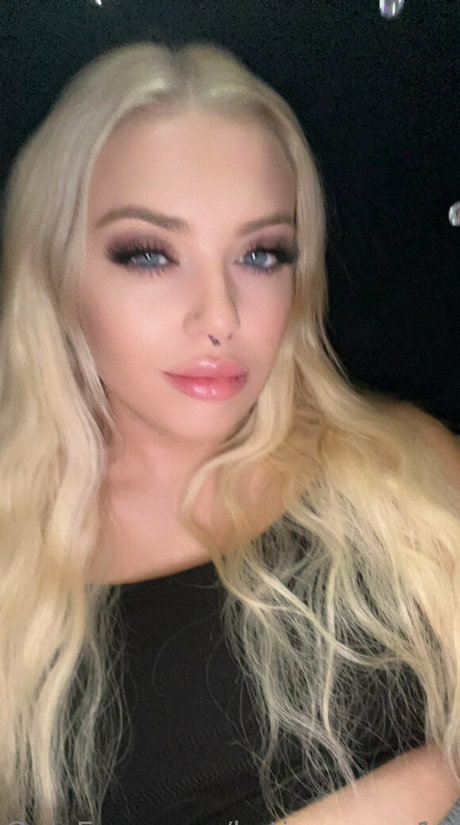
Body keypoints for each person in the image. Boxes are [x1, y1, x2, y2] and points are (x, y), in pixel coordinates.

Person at [0, 39, 459, 825]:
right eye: (150, 254)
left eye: (261, 254)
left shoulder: (406, 476)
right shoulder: (13, 567)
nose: (219, 316)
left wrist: (427, 783)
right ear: (56, 271)